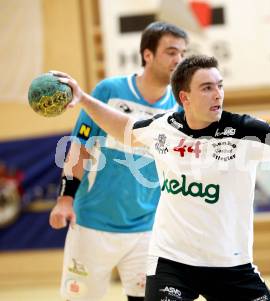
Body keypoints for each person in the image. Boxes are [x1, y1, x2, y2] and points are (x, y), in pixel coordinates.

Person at [52, 54, 270, 301]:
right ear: (184, 97)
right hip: (172, 261)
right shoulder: (162, 129)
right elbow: (124, 127)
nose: (217, 94)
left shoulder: (245, 131)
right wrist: (82, 98)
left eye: (219, 85)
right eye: (207, 87)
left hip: (230, 264)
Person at [48, 22, 188, 301]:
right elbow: (80, 147)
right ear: (147, 55)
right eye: (171, 52)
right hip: (91, 224)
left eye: (183, 54)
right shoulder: (109, 91)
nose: (179, 61)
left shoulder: (179, 107)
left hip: (146, 229)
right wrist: (65, 199)